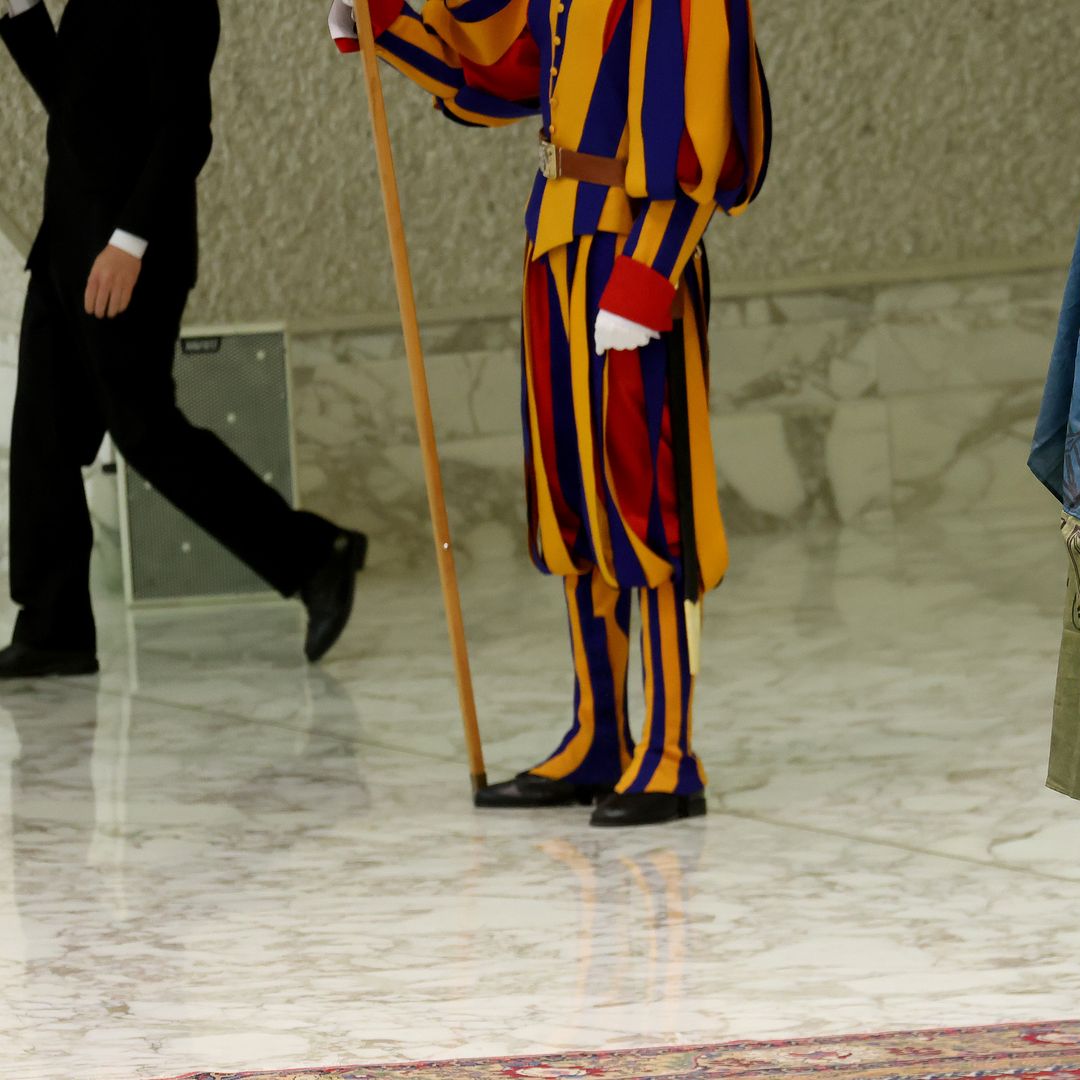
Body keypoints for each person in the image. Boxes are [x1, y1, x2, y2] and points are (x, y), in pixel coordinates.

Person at [327, 0, 769, 826]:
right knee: (574, 500)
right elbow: (503, 70)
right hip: (557, 240)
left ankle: (670, 755)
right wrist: (385, 23)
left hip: (635, 251)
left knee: (649, 503)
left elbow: (702, 130)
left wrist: (651, 271)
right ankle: (600, 737)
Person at [0, 0, 366, 680]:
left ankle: (314, 556)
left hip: (127, 255)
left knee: (144, 428)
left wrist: (128, 243)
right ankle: (53, 629)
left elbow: (183, 130)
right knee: (43, 436)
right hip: (66, 249)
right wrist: (22, 13)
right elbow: (77, 108)